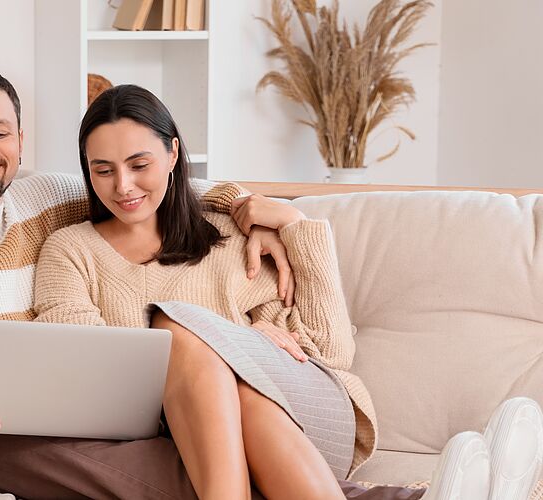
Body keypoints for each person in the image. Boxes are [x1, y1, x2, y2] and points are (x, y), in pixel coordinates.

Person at [30, 84, 543, 500]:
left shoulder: (232, 237)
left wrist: (299, 225)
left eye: (139, 164)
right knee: (196, 348)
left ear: (173, 154)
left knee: (195, 342)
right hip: (189, 432)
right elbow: (93, 375)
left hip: (306, 414)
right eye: (103, 170)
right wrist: (236, 345)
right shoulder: (71, 251)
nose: (123, 185)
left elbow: (332, 350)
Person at [0, 66, 291, 484]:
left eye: (0, 132)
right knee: (193, 475)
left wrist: (253, 211)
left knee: (219, 449)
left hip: (94, 410)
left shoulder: (44, 199)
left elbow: (156, 188)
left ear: (20, 142)